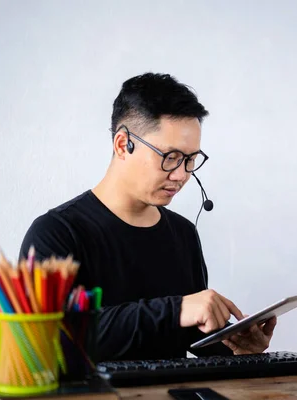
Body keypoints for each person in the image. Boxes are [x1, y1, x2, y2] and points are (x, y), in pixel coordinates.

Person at [18, 72, 277, 361]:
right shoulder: (57, 233)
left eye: (190, 160)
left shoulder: (183, 234)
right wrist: (176, 309)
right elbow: (49, 341)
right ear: (122, 144)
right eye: (170, 157)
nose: (181, 175)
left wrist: (233, 343)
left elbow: (185, 332)